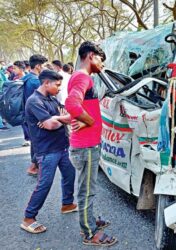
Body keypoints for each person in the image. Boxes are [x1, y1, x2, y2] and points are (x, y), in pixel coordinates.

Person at [65, 41, 117, 246]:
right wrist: (90, 121)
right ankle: (89, 232)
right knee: (87, 190)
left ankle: (89, 219)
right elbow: (71, 103)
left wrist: (80, 118)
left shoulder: (81, 78)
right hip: (86, 148)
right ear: (90, 56)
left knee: (88, 188)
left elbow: (76, 106)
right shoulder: (82, 77)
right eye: (100, 60)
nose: (102, 65)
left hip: (86, 145)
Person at [20, 70, 77, 234]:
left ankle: (67, 203)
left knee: (69, 175)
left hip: (62, 146)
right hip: (46, 150)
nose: (59, 88)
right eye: (57, 85)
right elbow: (51, 125)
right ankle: (29, 218)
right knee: (45, 184)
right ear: (46, 83)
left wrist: (56, 119)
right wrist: (58, 119)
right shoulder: (34, 101)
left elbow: (69, 117)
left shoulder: (51, 99)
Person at [22, 54, 48, 176]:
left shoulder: (26, 78)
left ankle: (35, 166)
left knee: (35, 140)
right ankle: (34, 166)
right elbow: (41, 99)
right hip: (35, 115)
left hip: (28, 115)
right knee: (39, 140)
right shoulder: (34, 81)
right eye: (43, 65)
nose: (44, 68)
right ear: (37, 66)